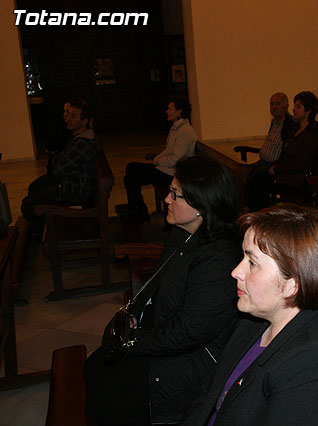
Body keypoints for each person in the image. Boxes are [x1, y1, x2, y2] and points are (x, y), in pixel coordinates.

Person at [184, 204, 318, 426]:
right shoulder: (260, 314)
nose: (236, 271)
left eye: (252, 263)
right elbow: (211, 395)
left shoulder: (315, 368)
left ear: (293, 285)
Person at [84, 155, 240, 426]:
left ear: (201, 206)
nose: (166, 200)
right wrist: (133, 314)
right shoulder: (183, 231)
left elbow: (190, 331)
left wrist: (134, 340)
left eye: (175, 195)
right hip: (164, 337)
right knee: (93, 368)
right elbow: (155, 282)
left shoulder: (219, 260)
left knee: (104, 403)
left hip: (191, 361)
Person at [21, 97, 97, 236]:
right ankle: (46, 229)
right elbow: (59, 160)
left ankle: (44, 236)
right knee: (33, 190)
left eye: (73, 116)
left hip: (73, 189)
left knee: (28, 205)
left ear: (84, 121)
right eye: (68, 114)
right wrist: (58, 161)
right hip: (67, 183)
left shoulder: (83, 143)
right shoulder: (78, 137)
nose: (68, 119)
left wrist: (58, 161)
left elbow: (59, 168)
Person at [123, 95, 197, 222]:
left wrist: (156, 161)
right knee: (130, 170)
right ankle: (138, 210)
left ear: (179, 111)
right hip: (164, 169)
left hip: (172, 174)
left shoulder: (185, 132)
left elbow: (175, 159)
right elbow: (168, 151)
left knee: (131, 174)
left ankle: (139, 211)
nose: (166, 111)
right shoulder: (176, 128)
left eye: (170, 109)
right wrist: (156, 160)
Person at [247, 91, 318, 211]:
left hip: (300, 177)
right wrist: (275, 165)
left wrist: (277, 169)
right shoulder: (297, 128)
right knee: (256, 179)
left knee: (260, 181)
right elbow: (286, 153)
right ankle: (257, 214)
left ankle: (260, 217)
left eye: (298, 107)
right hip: (288, 171)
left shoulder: (312, 133)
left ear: (308, 111)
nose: (294, 110)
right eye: (295, 106)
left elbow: (301, 163)